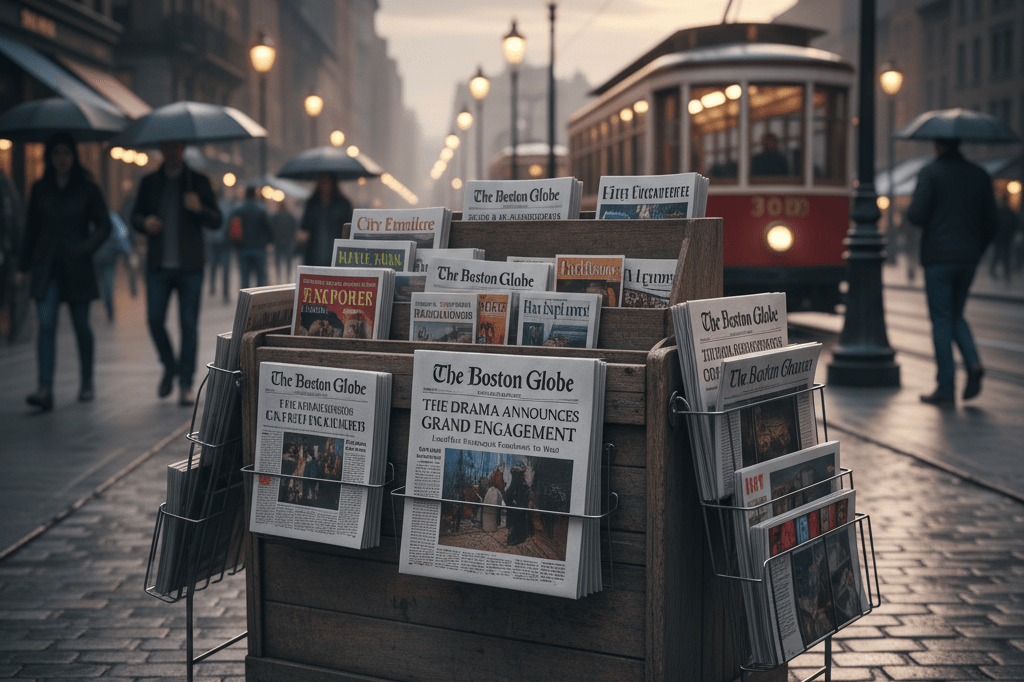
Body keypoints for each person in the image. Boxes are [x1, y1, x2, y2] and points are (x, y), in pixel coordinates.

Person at [15, 132, 112, 410]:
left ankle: (87, 380)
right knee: (46, 327)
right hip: (47, 268)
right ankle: (45, 388)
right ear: (49, 157)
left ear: (74, 156)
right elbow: (31, 230)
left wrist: (86, 248)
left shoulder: (88, 189)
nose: (62, 159)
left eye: (66, 153)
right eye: (56, 153)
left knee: (82, 326)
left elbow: (104, 225)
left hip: (77, 266)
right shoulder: (39, 189)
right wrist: (23, 267)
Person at [906, 137, 998, 405]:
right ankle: (973, 363)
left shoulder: (931, 172)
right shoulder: (980, 174)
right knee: (956, 314)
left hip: (938, 258)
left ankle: (946, 387)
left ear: (937, 145)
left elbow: (915, 215)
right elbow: (992, 222)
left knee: (942, 319)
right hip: (968, 259)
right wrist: (976, 251)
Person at [131, 139, 222, 406]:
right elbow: (134, 216)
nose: (173, 152)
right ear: (161, 149)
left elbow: (217, 220)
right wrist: (145, 222)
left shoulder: (199, 182)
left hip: (190, 266)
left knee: (188, 325)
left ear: (183, 149)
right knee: (155, 319)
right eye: (168, 147)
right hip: (159, 265)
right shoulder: (149, 182)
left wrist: (200, 208)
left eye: (177, 147)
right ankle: (170, 365)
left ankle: (185, 383)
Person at [297, 172, 353, 267]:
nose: (324, 185)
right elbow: (304, 226)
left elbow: (349, 228)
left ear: (333, 183)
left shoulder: (343, 204)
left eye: (327, 181)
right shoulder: (312, 204)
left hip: (336, 254)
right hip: (314, 254)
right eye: (321, 181)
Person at [93, 210, 136, 321]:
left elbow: (121, 235)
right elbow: (122, 235)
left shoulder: (111, 217)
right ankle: (109, 308)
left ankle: (109, 309)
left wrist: (128, 252)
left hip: (103, 258)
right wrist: (128, 252)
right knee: (106, 286)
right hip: (102, 258)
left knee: (106, 287)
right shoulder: (112, 217)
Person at [229, 186, 273, 289]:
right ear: (255, 195)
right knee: (260, 280)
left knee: (245, 280)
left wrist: (236, 245)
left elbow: (233, 228)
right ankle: (259, 303)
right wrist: (266, 242)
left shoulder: (239, 210)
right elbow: (269, 229)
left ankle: (245, 303)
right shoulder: (261, 210)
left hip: (242, 248)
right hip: (259, 249)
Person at [207, 187, 235, 303]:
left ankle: (213, 286)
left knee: (213, 266)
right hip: (224, 242)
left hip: (213, 242)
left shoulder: (209, 206)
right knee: (225, 269)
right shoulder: (227, 206)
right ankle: (225, 293)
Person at [270, 199, 298, 283]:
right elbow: (294, 228)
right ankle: (288, 277)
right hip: (289, 241)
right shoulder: (291, 216)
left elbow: (272, 229)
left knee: (278, 262)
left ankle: (279, 278)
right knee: (288, 262)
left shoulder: (275, 216)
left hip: (278, 241)